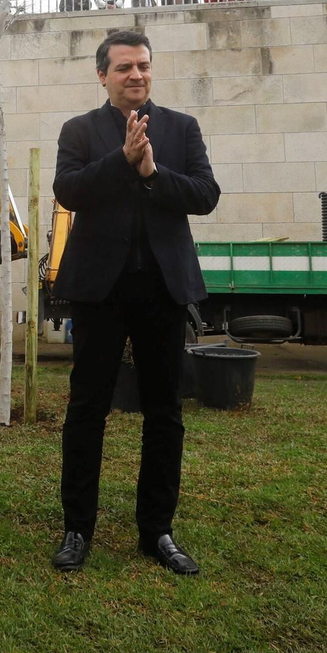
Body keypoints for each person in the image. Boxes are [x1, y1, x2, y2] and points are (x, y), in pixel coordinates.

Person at [49, 30, 220, 577]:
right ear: (103, 75)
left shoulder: (180, 128)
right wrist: (122, 161)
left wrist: (150, 172)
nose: (136, 75)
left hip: (163, 292)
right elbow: (68, 191)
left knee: (164, 414)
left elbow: (204, 195)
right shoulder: (80, 130)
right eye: (124, 67)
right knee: (86, 411)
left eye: (143, 65)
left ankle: (158, 530)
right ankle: (78, 527)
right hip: (100, 291)